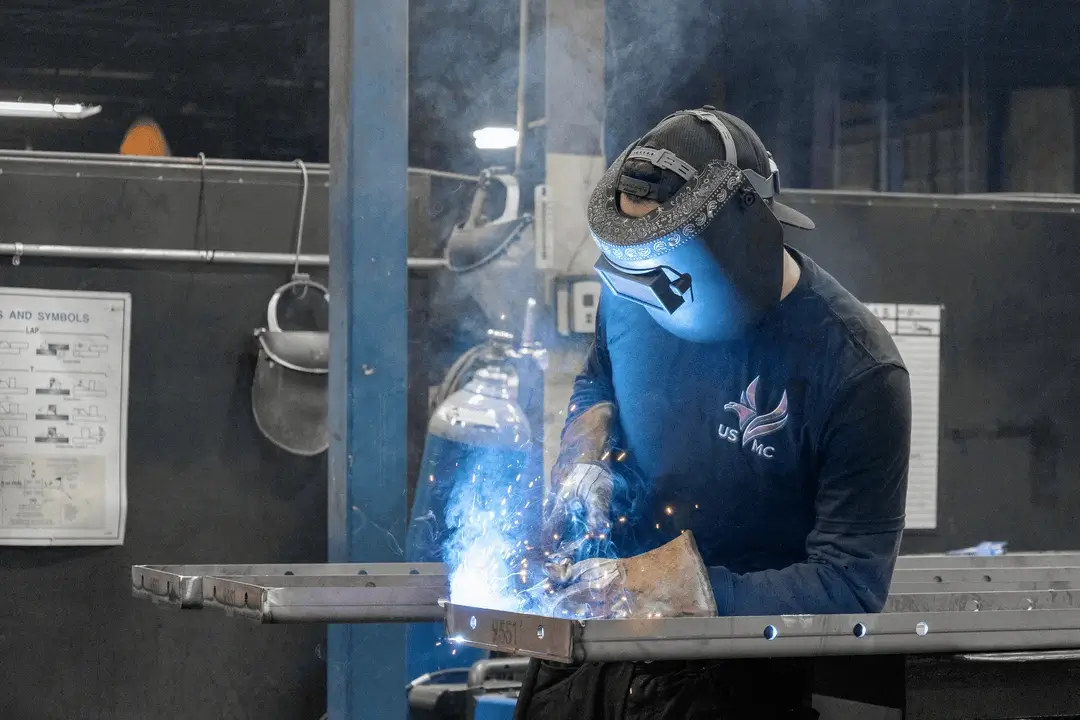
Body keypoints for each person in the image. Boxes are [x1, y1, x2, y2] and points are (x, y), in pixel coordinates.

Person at [515, 107, 912, 719]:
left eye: (662, 260)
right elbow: (600, 381)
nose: (643, 288)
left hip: (730, 682)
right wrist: (583, 457)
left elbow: (849, 585)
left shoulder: (855, 371)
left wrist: (671, 588)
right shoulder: (632, 296)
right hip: (588, 662)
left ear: (736, 238)